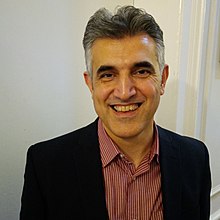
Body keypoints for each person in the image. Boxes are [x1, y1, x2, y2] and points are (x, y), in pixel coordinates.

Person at [20, 5, 211, 220]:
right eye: (108, 75)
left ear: (163, 79)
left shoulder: (195, 159)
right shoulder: (46, 166)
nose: (124, 92)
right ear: (90, 84)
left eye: (141, 71)